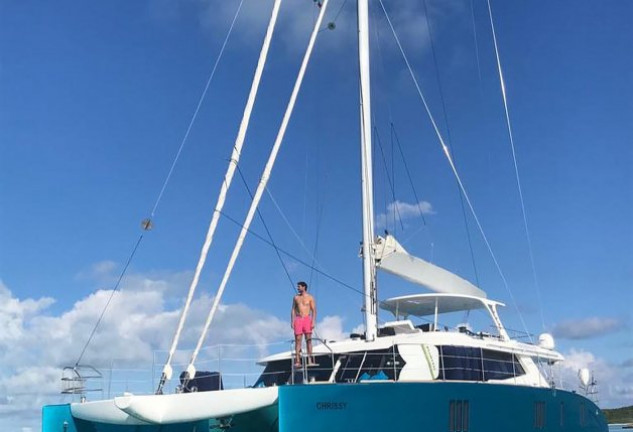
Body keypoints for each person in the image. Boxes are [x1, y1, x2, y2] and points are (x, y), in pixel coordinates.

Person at [291, 281, 316, 367]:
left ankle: (310, 359)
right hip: (298, 319)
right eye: (298, 287)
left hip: (307, 319)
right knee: (298, 340)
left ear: (304, 287)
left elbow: (314, 310)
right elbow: (293, 309)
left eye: (299, 286)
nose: (298, 288)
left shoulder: (310, 297)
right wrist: (292, 321)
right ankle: (297, 360)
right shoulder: (296, 298)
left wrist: (313, 321)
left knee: (308, 340)